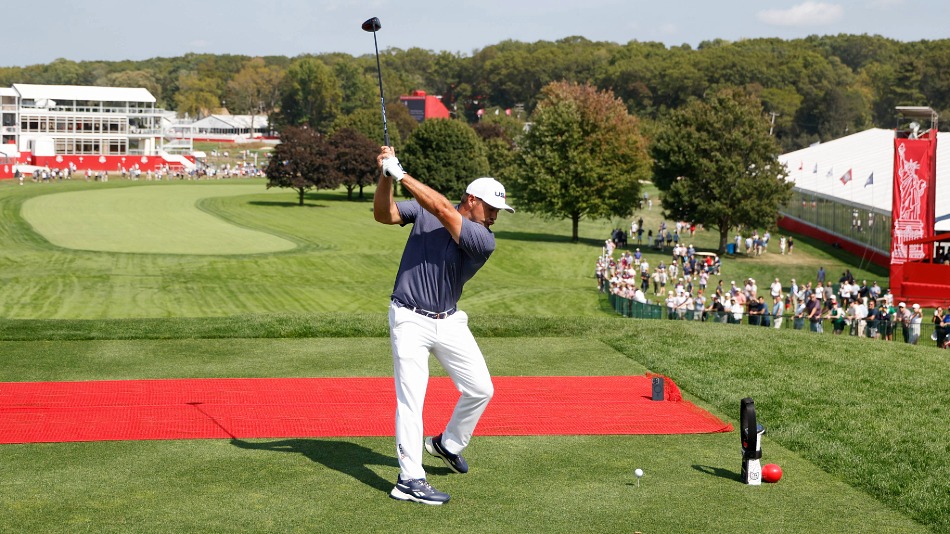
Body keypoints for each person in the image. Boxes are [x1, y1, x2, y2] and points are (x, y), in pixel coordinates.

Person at [373, 146, 514, 505]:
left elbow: (442, 209)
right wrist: (386, 177)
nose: (496, 216)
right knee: (411, 401)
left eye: (500, 210)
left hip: (449, 320)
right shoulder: (427, 209)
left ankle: (447, 443)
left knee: (481, 388)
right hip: (408, 318)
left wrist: (401, 172)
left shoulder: (483, 239)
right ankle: (409, 479)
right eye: (491, 207)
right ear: (471, 199)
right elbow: (384, 215)